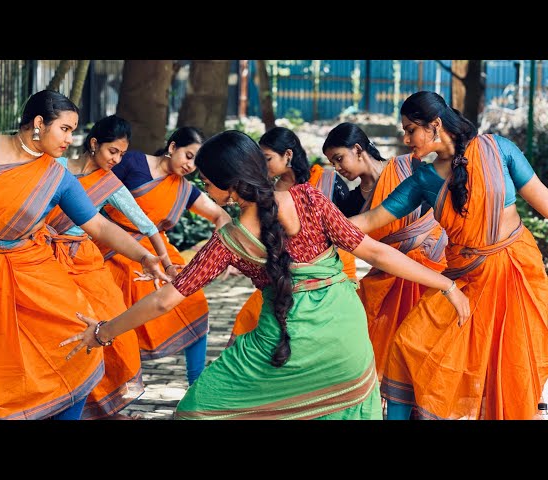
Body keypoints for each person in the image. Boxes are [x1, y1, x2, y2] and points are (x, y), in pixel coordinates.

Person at [60, 129, 470, 420]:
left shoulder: (229, 240)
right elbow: (375, 251)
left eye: (207, 181)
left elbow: (167, 299)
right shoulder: (308, 198)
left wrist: (103, 332)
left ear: (229, 187)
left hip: (282, 347)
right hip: (346, 342)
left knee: (196, 410)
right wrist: (447, 283)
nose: (203, 186)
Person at [0, 90, 168, 420]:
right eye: (65, 129)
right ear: (39, 123)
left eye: (73, 130)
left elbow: (99, 227)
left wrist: (143, 256)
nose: (70, 138)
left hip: (31, 273)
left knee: (77, 348)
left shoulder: (57, 176)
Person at [348, 91, 548, 420]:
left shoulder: (498, 150)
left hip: (514, 276)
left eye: (411, 129)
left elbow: (544, 203)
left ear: (435, 125)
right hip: (464, 281)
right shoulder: (425, 179)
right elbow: (371, 220)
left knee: (509, 368)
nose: (406, 138)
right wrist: (322, 224)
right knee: (407, 346)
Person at [47, 114, 177, 419]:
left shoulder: (110, 184)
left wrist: (165, 263)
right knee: (55, 333)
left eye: (121, 153)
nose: (117, 159)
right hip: (45, 259)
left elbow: (147, 226)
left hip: (86, 262)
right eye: (112, 152)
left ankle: (107, 410)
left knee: (115, 329)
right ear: (94, 144)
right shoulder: (56, 168)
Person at [94, 127, 231, 386]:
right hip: (114, 248)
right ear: (172, 147)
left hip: (159, 252)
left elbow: (221, 216)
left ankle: (196, 386)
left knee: (194, 304)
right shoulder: (133, 162)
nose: (190, 165)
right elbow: (93, 194)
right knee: (116, 320)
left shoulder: (184, 189)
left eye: (196, 162)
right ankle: (112, 397)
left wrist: (220, 255)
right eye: (188, 156)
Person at [322, 122, 448, 384]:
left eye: (339, 158)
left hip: (434, 266)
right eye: (333, 163)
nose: (338, 168)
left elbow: (443, 205)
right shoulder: (352, 203)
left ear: (358, 149)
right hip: (391, 277)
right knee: (389, 352)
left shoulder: (410, 168)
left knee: (428, 351)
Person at [227, 126, 357, 347]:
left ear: (288, 155)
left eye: (267, 158)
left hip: (329, 270)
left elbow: (350, 226)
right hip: (286, 273)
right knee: (250, 318)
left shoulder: (326, 181)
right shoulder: (268, 190)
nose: (262, 166)